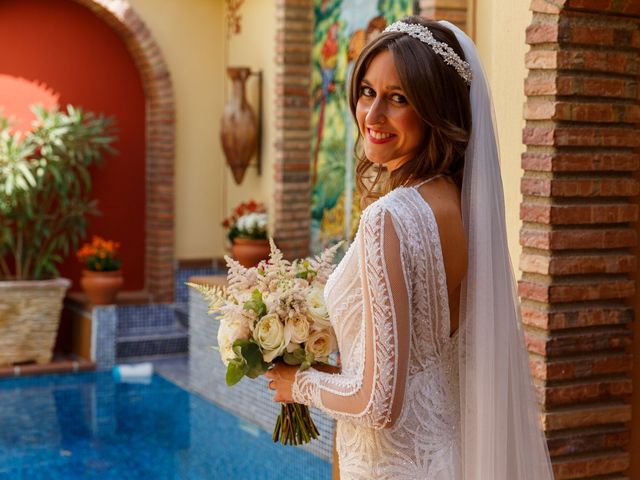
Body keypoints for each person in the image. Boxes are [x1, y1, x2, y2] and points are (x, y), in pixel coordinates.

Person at [266, 16, 553, 480]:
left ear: (435, 109)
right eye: (367, 92)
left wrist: (293, 383)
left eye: (398, 99)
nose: (372, 116)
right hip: (444, 451)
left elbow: (378, 402)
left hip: (389, 465)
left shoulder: (390, 218)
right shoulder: (459, 203)